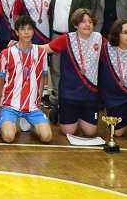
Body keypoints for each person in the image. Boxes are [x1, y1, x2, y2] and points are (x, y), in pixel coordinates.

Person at [40, 8, 102, 137]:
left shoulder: (99, 38)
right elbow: (44, 49)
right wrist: (21, 45)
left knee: (90, 132)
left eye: (90, 22)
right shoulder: (66, 39)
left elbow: (115, 49)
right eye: (83, 21)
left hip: (89, 94)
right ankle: (59, 107)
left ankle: (78, 115)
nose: (87, 24)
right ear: (75, 24)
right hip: (69, 93)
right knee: (68, 131)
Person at [0, 15, 52, 143]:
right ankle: (10, 120)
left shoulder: (41, 53)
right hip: (10, 105)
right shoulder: (6, 53)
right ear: (16, 32)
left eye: (29, 29)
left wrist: (38, 102)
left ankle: (26, 118)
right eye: (22, 29)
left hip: (32, 106)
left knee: (47, 137)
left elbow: (42, 78)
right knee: (8, 137)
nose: (26, 32)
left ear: (33, 31)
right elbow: (0, 80)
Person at [47, 0, 91, 120]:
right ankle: (58, 101)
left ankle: (74, 99)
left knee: (75, 69)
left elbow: (87, 16)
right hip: (55, 36)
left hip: (75, 38)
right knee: (56, 69)